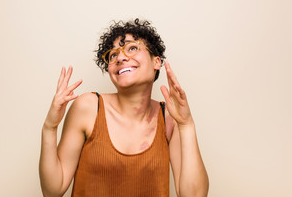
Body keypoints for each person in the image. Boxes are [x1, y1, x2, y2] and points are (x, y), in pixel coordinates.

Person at [39, 19, 209, 197]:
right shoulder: (88, 107)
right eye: (113, 55)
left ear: (156, 62)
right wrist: (50, 127)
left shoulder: (169, 118)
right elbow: (53, 190)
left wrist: (186, 124)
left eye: (132, 48)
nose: (120, 57)